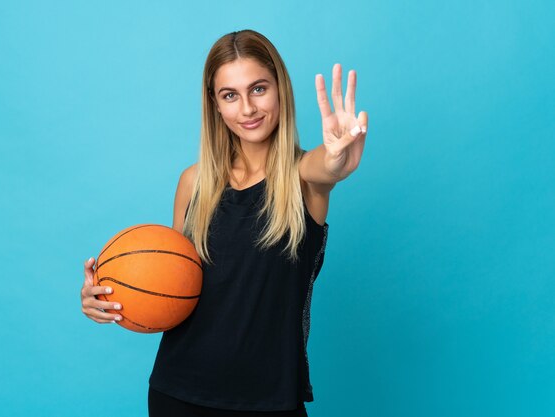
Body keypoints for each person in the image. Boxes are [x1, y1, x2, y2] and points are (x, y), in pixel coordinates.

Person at [80, 29, 368, 417]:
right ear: (215, 105)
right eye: (230, 95)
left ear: (281, 88)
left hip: (270, 401)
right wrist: (111, 297)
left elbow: (326, 167)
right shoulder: (193, 183)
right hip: (177, 394)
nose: (247, 109)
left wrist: (337, 158)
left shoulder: (304, 177)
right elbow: (172, 282)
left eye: (259, 88)